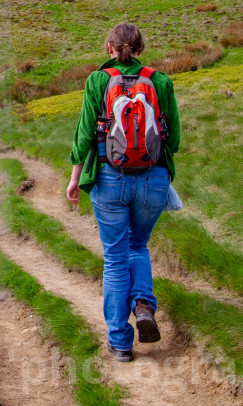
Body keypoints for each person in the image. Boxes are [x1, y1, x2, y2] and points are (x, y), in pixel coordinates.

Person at [65, 22, 181, 362]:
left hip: (110, 179)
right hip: (153, 179)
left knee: (115, 260)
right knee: (138, 245)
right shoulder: (160, 81)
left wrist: (75, 177)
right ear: (140, 49)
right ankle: (143, 303)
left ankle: (120, 342)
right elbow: (173, 140)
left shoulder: (98, 80)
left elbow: (85, 135)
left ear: (109, 48)